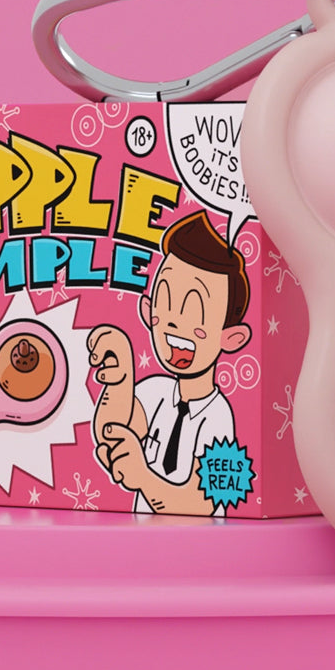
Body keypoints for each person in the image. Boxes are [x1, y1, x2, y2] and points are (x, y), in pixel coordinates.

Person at [88, 209, 252, 515]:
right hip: (139, 535)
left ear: (231, 338)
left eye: (195, 309)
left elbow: (203, 504)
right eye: (166, 302)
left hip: (204, 541)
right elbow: (112, 429)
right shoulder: (155, 391)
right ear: (149, 311)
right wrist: (120, 377)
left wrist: (142, 477)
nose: (175, 322)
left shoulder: (218, 418)